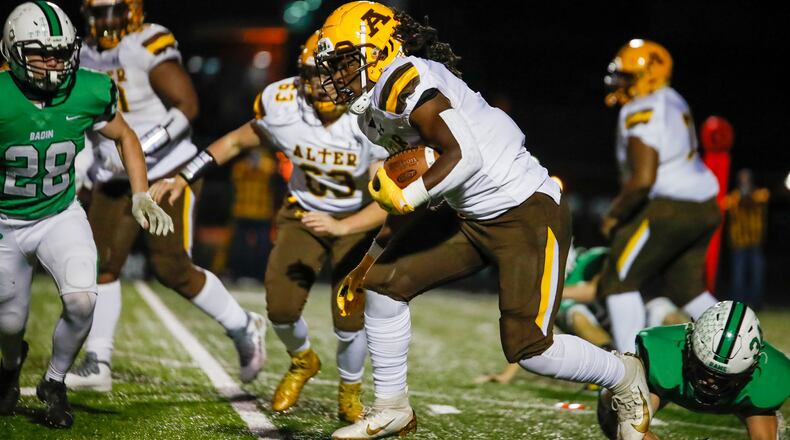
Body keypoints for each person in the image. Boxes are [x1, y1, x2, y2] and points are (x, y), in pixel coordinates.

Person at [315, 3, 658, 438]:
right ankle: (392, 407)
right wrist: (366, 263)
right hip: (472, 217)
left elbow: (464, 156)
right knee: (382, 286)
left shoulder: (405, 83)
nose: (338, 75)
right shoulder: (371, 114)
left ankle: (624, 374)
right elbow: (416, 193)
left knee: (530, 348)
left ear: (379, 49)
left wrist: (411, 193)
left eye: (345, 61)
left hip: (526, 211)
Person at [149, 31, 389, 422]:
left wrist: (343, 227)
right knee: (280, 309)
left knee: (349, 316)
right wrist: (184, 176)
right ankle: (302, 361)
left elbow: (388, 202)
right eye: (316, 74)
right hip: (303, 213)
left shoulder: (370, 117)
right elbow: (234, 143)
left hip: (356, 219)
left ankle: (350, 389)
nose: (324, 84)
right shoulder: (284, 104)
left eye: (332, 74)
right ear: (303, 75)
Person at [64, 0, 266, 392]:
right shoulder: (83, 53)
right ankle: (98, 361)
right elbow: (87, 120)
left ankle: (243, 325)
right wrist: (85, 168)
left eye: (113, 10)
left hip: (166, 170)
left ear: (131, 10)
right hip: (112, 173)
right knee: (101, 264)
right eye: (97, 12)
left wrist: (140, 145)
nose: (105, 21)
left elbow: (186, 106)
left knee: (171, 268)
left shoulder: (146, 42)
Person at [0, 1, 172, 427]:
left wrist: (139, 193)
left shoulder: (89, 88)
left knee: (81, 300)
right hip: (4, 223)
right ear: (12, 51)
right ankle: (9, 364)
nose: (54, 64)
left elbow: (126, 136)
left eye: (61, 52)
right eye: (41, 53)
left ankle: (54, 382)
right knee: (9, 323)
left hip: (59, 214)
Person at [599, 39, 721, 353]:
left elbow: (642, 179)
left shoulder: (641, 109)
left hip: (669, 206)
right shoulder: (672, 99)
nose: (620, 83)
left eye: (627, 76)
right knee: (687, 289)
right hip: (704, 205)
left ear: (648, 75)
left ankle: (629, 372)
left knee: (618, 280)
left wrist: (615, 213)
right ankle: (735, 350)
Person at [598, 301, 789, 440]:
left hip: (741, 395)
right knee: (618, 419)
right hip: (664, 385)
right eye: (704, 370)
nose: (710, 382)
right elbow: (635, 433)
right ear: (689, 346)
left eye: (722, 378)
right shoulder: (664, 354)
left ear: (752, 368)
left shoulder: (771, 376)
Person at [725, 169, 769, 309]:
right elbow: (725, 204)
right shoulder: (734, 196)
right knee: (738, 277)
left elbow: (762, 198)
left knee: (757, 275)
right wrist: (740, 196)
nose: (745, 182)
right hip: (738, 244)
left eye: (747, 179)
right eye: (742, 179)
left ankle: (756, 304)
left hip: (755, 243)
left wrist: (747, 195)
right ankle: (739, 305)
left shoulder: (759, 193)